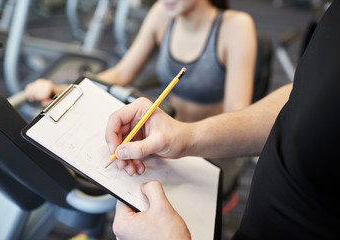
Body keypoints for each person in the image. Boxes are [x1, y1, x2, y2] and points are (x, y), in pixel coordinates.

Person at [105, 0, 340, 239]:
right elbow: (301, 96)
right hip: (176, 137)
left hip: (214, 154)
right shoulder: (161, 14)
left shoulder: (235, 26)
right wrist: (67, 88)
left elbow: (237, 111)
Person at [25, 0, 257, 122]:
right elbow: (121, 74)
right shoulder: (162, 13)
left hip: (207, 142)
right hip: (169, 126)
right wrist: (61, 90)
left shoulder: (236, 27)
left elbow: (237, 116)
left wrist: (185, 138)